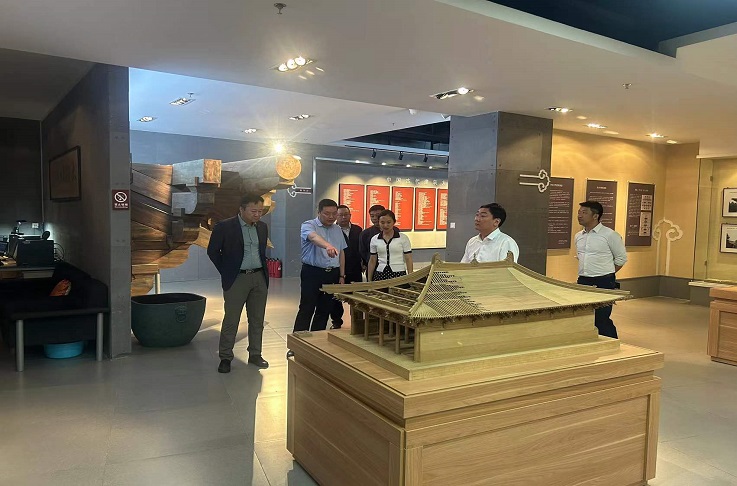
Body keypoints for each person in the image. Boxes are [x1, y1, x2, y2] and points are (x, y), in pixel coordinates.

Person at [207, 194, 270, 373]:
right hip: (237, 278)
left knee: (257, 319)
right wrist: (227, 271)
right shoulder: (224, 226)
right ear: (241, 209)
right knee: (231, 320)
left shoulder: (262, 227)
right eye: (253, 211)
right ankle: (225, 357)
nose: (257, 215)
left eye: (260, 211)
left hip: (259, 277)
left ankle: (255, 354)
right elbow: (213, 251)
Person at [291, 198, 347, 340]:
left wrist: (342, 275)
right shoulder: (308, 225)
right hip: (312, 273)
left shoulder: (337, 229)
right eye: (327, 213)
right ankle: (298, 342)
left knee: (324, 309)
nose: (331, 217)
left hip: (332, 274)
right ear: (319, 212)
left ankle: (316, 341)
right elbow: (313, 237)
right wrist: (328, 246)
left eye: (334, 214)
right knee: (307, 307)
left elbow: (341, 252)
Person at [574, 200, 628, 339]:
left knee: (601, 317)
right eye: (579, 212)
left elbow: (621, 258)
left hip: (604, 281)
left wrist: (607, 274)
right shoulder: (578, 236)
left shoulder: (610, 235)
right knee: (584, 315)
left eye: (584, 212)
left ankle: (611, 343)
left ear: (595, 216)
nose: (580, 215)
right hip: (583, 280)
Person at [330, 205, 363, 329]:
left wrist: (363, 262)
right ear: (336, 216)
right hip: (337, 269)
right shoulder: (332, 230)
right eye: (340, 215)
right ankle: (336, 321)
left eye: (346, 214)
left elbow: (362, 248)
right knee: (336, 298)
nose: (343, 217)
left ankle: (357, 322)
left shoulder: (358, 230)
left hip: (355, 269)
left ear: (350, 215)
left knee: (356, 296)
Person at [367, 210, 413, 281]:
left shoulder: (403, 238)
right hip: (380, 274)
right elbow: (372, 260)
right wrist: (369, 279)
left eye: (388, 222)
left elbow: (408, 258)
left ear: (394, 222)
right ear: (379, 223)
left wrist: (410, 276)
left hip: (399, 273)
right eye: (382, 222)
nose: (385, 225)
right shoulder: (374, 239)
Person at [358, 204, 385, 276]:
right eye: (372, 216)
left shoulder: (395, 231)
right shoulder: (365, 233)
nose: (375, 218)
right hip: (373, 267)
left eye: (377, 215)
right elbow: (362, 251)